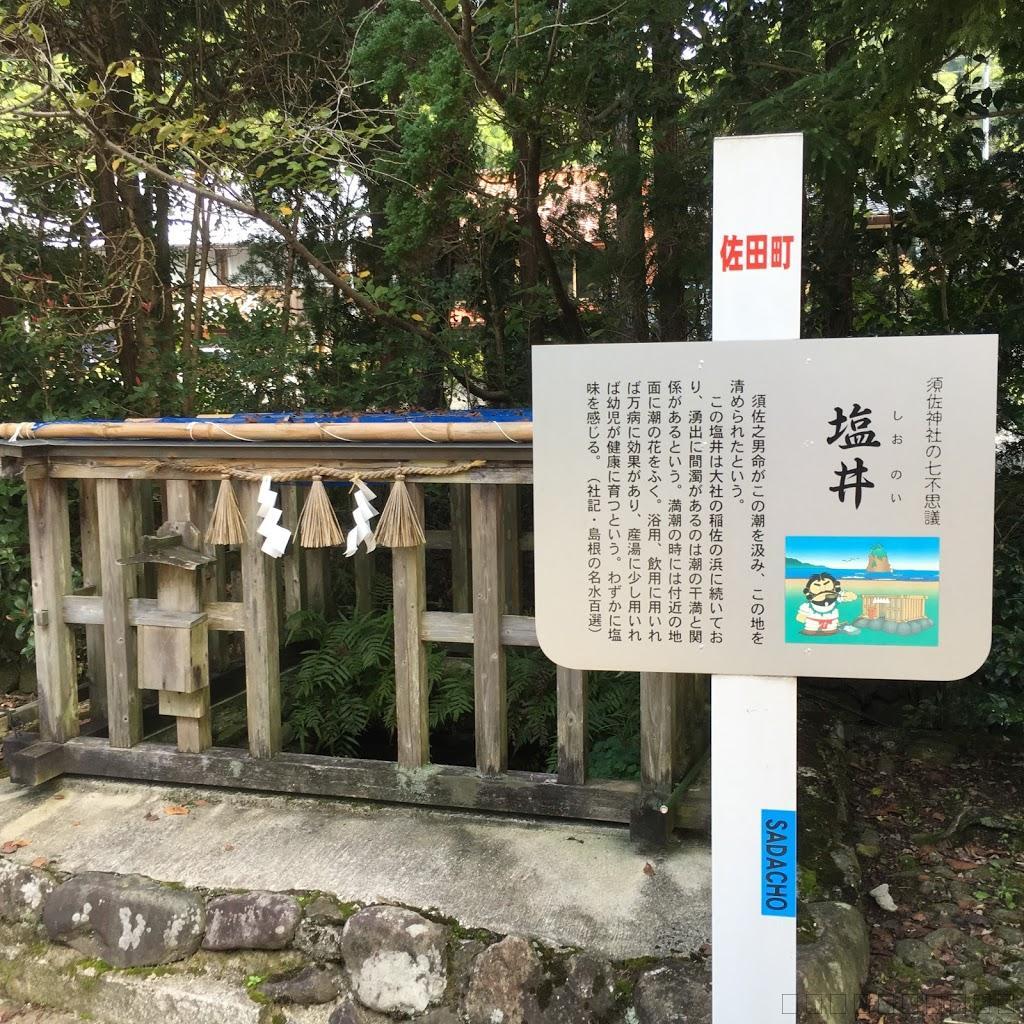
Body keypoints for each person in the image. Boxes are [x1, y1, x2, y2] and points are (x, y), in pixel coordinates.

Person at [795, 572, 859, 636]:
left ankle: (836, 628)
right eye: (817, 585)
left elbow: (845, 596)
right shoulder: (808, 605)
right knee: (810, 631)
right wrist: (802, 616)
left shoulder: (835, 598)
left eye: (826, 584)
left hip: (831, 621)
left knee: (830, 631)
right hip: (812, 622)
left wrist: (848, 595)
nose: (823, 588)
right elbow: (801, 615)